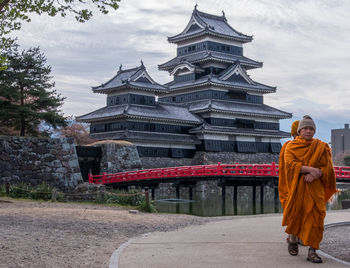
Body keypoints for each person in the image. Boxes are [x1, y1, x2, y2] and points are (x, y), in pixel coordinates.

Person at [279, 115, 337, 263]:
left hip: (315, 188)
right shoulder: (291, 146)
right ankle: (292, 240)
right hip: (296, 188)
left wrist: (317, 175)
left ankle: (313, 251)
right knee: (295, 214)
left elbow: (329, 169)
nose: (308, 131)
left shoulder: (321, 146)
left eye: (311, 128)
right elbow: (290, 164)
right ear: (299, 131)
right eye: (305, 128)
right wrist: (312, 170)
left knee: (316, 218)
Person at [278, 120, 300, 248]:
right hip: (289, 183)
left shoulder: (311, 145)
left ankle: (299, 236)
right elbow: (285, 166)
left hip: (304, 182)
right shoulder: (288, 146)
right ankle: (293, 237)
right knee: (292, 210)